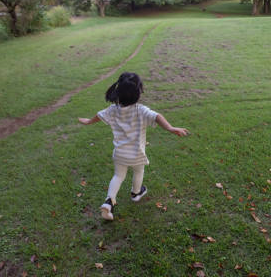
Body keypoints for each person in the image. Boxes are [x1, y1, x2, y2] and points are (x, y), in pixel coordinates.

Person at [78, 72, 189, 220]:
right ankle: (136, 193)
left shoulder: (113, 109)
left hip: (119, 154)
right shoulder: (140, 110)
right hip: (136, 154)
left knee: (118, 176)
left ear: (118, 92)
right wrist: (170, 128)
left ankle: (109, 201)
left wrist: (88, 122)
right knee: (138, 172)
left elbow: (99, 115)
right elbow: (156, 116)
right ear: (138, 93)